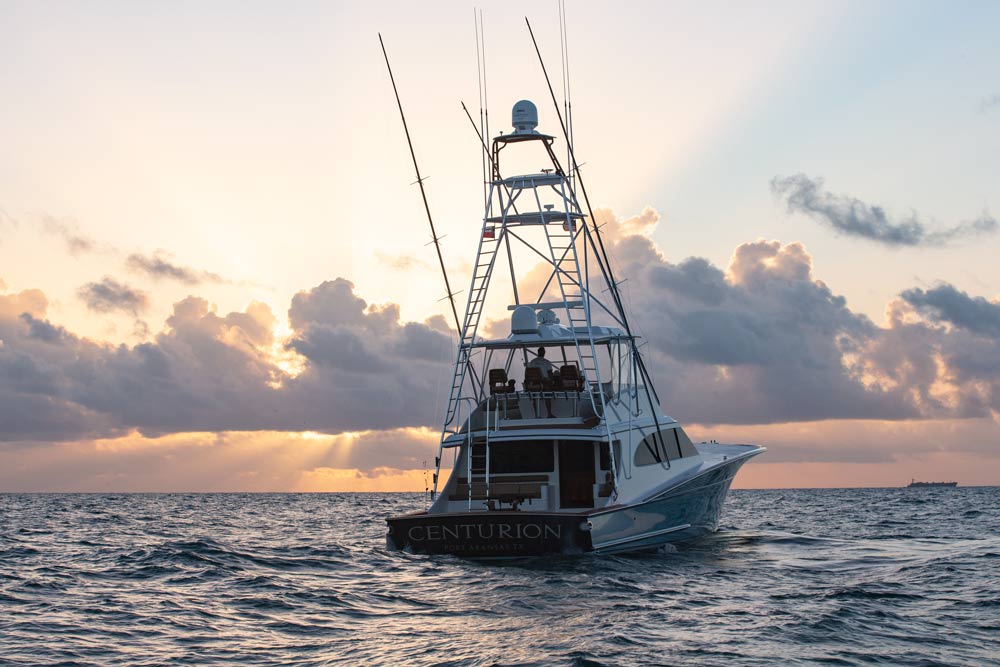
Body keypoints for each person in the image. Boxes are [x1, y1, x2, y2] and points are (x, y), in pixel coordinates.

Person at [525, 347, 556, 418]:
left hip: (533, 384)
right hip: (543, 384)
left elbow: (527, 374)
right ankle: (549, 414)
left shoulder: (532, 362)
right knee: (548, 393)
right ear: (544, 353)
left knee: (534, 397)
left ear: (538, 352)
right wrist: (552, 381)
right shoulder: (546, 362)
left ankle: (536, 415)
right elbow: (550, 375)